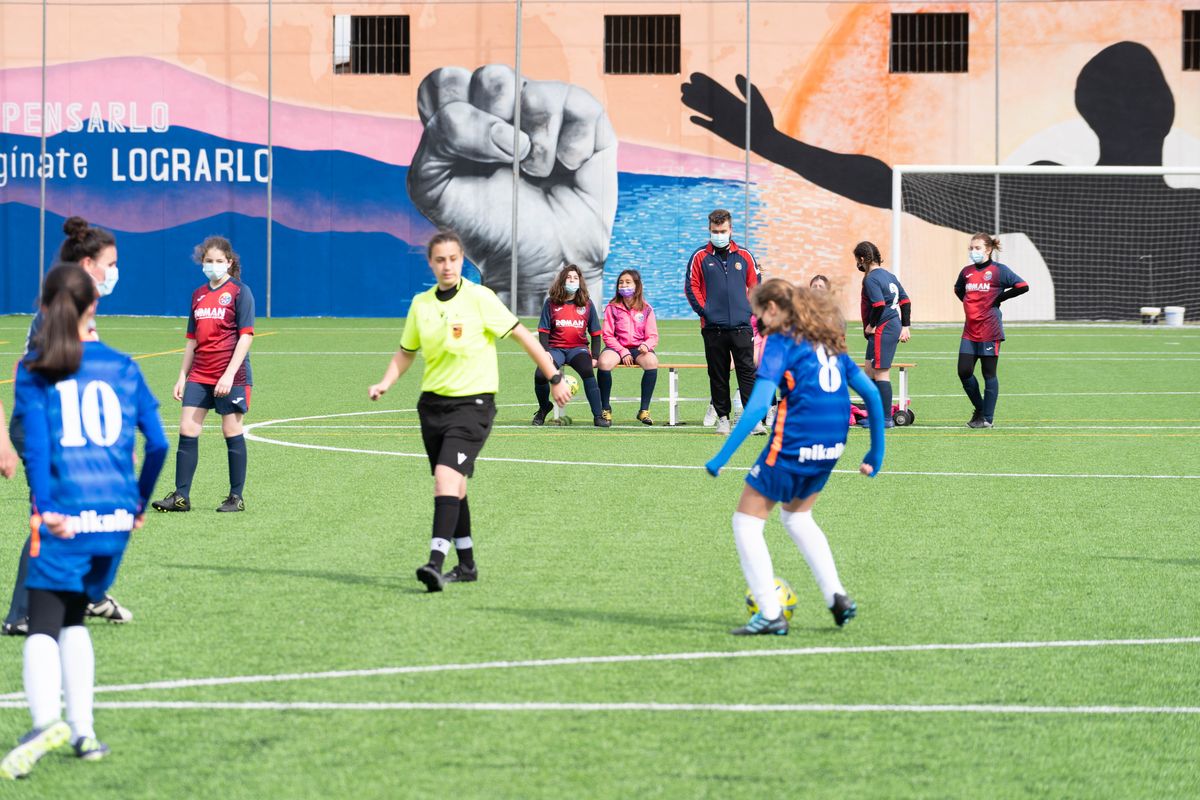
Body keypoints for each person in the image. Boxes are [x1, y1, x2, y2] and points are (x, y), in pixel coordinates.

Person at [0, 265, 167, 779]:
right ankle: (84, 731)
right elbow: (158, 444)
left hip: (66, 516)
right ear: (93, 307)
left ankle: (46, 721)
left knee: (44, 627)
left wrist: (46, 509)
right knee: (74, 616)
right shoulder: (123, 365)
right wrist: (138, 506)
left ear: (48, 308)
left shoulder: (36, 369)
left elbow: (40, 448)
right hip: (114, 521)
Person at [368, 230, 571, 592]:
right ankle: (467, 565)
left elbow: (524, 336)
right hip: (432, 406)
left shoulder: (480, 298)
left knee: (445, 479)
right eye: (440, 260)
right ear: (430, 263)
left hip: (473, 406)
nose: (447, 266)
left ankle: (434, 563)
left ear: (462, 260)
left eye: (453, 259)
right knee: (455, 485)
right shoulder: (421, 304)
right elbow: (406, 351)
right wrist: (385, 382)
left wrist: (554, 376)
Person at [705, 279, 885, 635]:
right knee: (798, 518)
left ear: (772, 310)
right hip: (834, 443)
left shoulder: (780, 340)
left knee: (746, 522)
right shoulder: (828, 342)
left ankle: (771, 615)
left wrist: (722, 455)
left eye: (759, 316)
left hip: (797, 441)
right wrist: (875, 452)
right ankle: (837, 597)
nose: (759, 325)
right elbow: (873, 396)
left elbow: (758, 405)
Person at [4, 217, 130, 637]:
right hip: (43, 424)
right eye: (111, 263)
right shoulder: (64, 301)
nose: (115, 271)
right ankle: (28, 610)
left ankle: (83, 593)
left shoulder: (73, 299)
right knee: (56, 514)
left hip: (53, 423)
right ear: (90, 262)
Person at [152, 237, 255, 513]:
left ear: (229, 263)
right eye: (208, 261)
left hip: (231, 374)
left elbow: (246, 338)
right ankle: (181, 497)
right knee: (187, 429)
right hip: (200, 373)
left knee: (231, 430)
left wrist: (228, 375)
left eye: (219, 261)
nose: (213, 266)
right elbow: (191, 341)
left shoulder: (239, 292)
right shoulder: (198, 295)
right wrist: (182, 376)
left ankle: (236, 497)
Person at [685, 209, 762, 435]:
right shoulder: (699, 256)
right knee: (718, 374)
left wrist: (748, 310)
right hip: (713, 328)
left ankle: (752, 420)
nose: (719, 235)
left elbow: (756, 286)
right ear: (709, 230)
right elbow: (692, 288)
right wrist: (706, 312)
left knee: (747, 372)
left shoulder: (745, 256)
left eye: (723, 231)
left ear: (731, 230)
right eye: (715, 231)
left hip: (741, 326)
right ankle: (723, 419)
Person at [955, 234, 1029, 428]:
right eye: (971, 248)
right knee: (964, 371)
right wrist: (971, 304)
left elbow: (1022, 286)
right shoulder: (966, 272)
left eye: (977, 248)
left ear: (988, 250)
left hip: (990, 330)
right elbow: (958, 290)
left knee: (989, 374)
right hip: (970, 331)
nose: (973, 252)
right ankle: (980, 409)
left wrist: (1000, 298)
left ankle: (987, 418)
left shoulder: (998, 271)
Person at [533, 265, 609, 428]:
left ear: (579, 281)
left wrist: (595, 357)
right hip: (555, 349)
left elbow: (595, 333)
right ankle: (544, 407)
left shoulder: (587, 304)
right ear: (562, 281)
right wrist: (545, 352)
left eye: (575, 278)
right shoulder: (551, 303)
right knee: (540, 374)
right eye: (569, 278)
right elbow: (543, 331)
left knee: (588, 371)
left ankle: (598, 415)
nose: (572, 281)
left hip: (578, 349)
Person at [855, 241, 911, 430]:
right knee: (869, 371)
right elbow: (905, 301)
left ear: (862, 259)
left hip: (883, 327)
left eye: (858, 260)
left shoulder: (871, 278)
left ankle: (885, 418)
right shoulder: (889, 275)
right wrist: (905, 326)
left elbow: (879, 305)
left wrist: (871, 325)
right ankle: (874, 414)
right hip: (889, 325)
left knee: (880, 372)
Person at [597, 270, 659, 425]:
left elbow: (653, 336)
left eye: (628, 282)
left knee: (651, 362)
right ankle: (605, 408)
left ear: (637, 285)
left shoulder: (647, 308)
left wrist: (646, 345)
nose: (624, 285)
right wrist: (623, 351)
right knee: (603, 363)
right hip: (617, 347)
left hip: (639, 348)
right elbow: (608, 335)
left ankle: (643, 411)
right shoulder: (612, 307)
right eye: (621, 282)